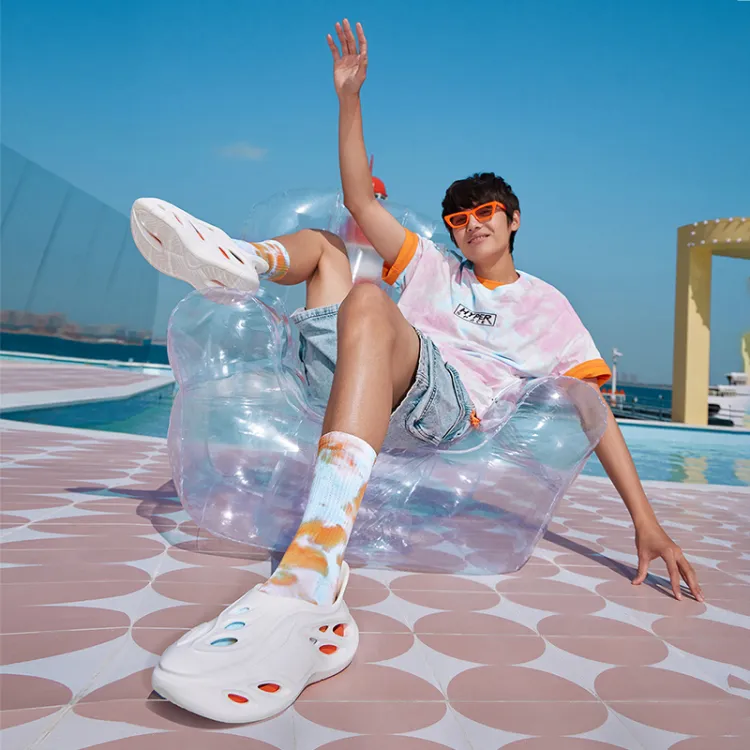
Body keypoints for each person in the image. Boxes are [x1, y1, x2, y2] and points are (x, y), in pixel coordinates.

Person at [130, 18, 703, 722]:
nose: (471, 225)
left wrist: (646, 522)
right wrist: (349, 98)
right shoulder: (432, 266)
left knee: (370, 298)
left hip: (442, 410)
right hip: (360, 374)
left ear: (514, 219)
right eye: (458, 219)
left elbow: (592, 412)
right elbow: (359, 201)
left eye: (485, 213)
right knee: (328, 248)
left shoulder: (547, 305)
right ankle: (243, 260)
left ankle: (316, 561)